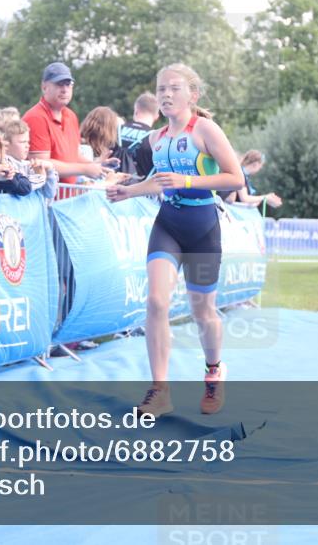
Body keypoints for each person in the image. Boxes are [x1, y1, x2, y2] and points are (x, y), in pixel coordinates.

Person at [107, 63, 244, 418]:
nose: (166, 95)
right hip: (167, 226)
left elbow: (235, 179)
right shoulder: (156, 139)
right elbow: (159, 182)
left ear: (192, 96)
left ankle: (214, 371)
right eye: (161, 89)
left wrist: (188, 183)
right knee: (155, 302)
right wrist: (129, 191)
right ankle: (160, 390)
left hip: (202, 229)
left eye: (174, 89)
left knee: (203, 312)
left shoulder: (206, 130)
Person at [23, 62, 112, 185]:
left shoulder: (71, 116)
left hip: (67, 197)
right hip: (45, 199)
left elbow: (72, 155)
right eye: (59, 84)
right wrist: (85, 169)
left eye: (68, 84)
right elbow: (41, 164)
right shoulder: (35, 118)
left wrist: (95, 165)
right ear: (44, 87)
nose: (64, 89)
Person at [0, 118, 58, 199]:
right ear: (6, 145)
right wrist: (40, 177)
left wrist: (49, 170)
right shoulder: (4, 162)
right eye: (22, 142)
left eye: (28, 142)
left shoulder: (30, 165)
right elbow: (20, 185)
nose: (27, 146)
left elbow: (49, 194)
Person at [119, 92, 159, 177]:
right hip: (141, 188)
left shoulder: (117, 130)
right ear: (156, 116)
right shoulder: (156, 138)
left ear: (136, 111)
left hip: (112, 186)